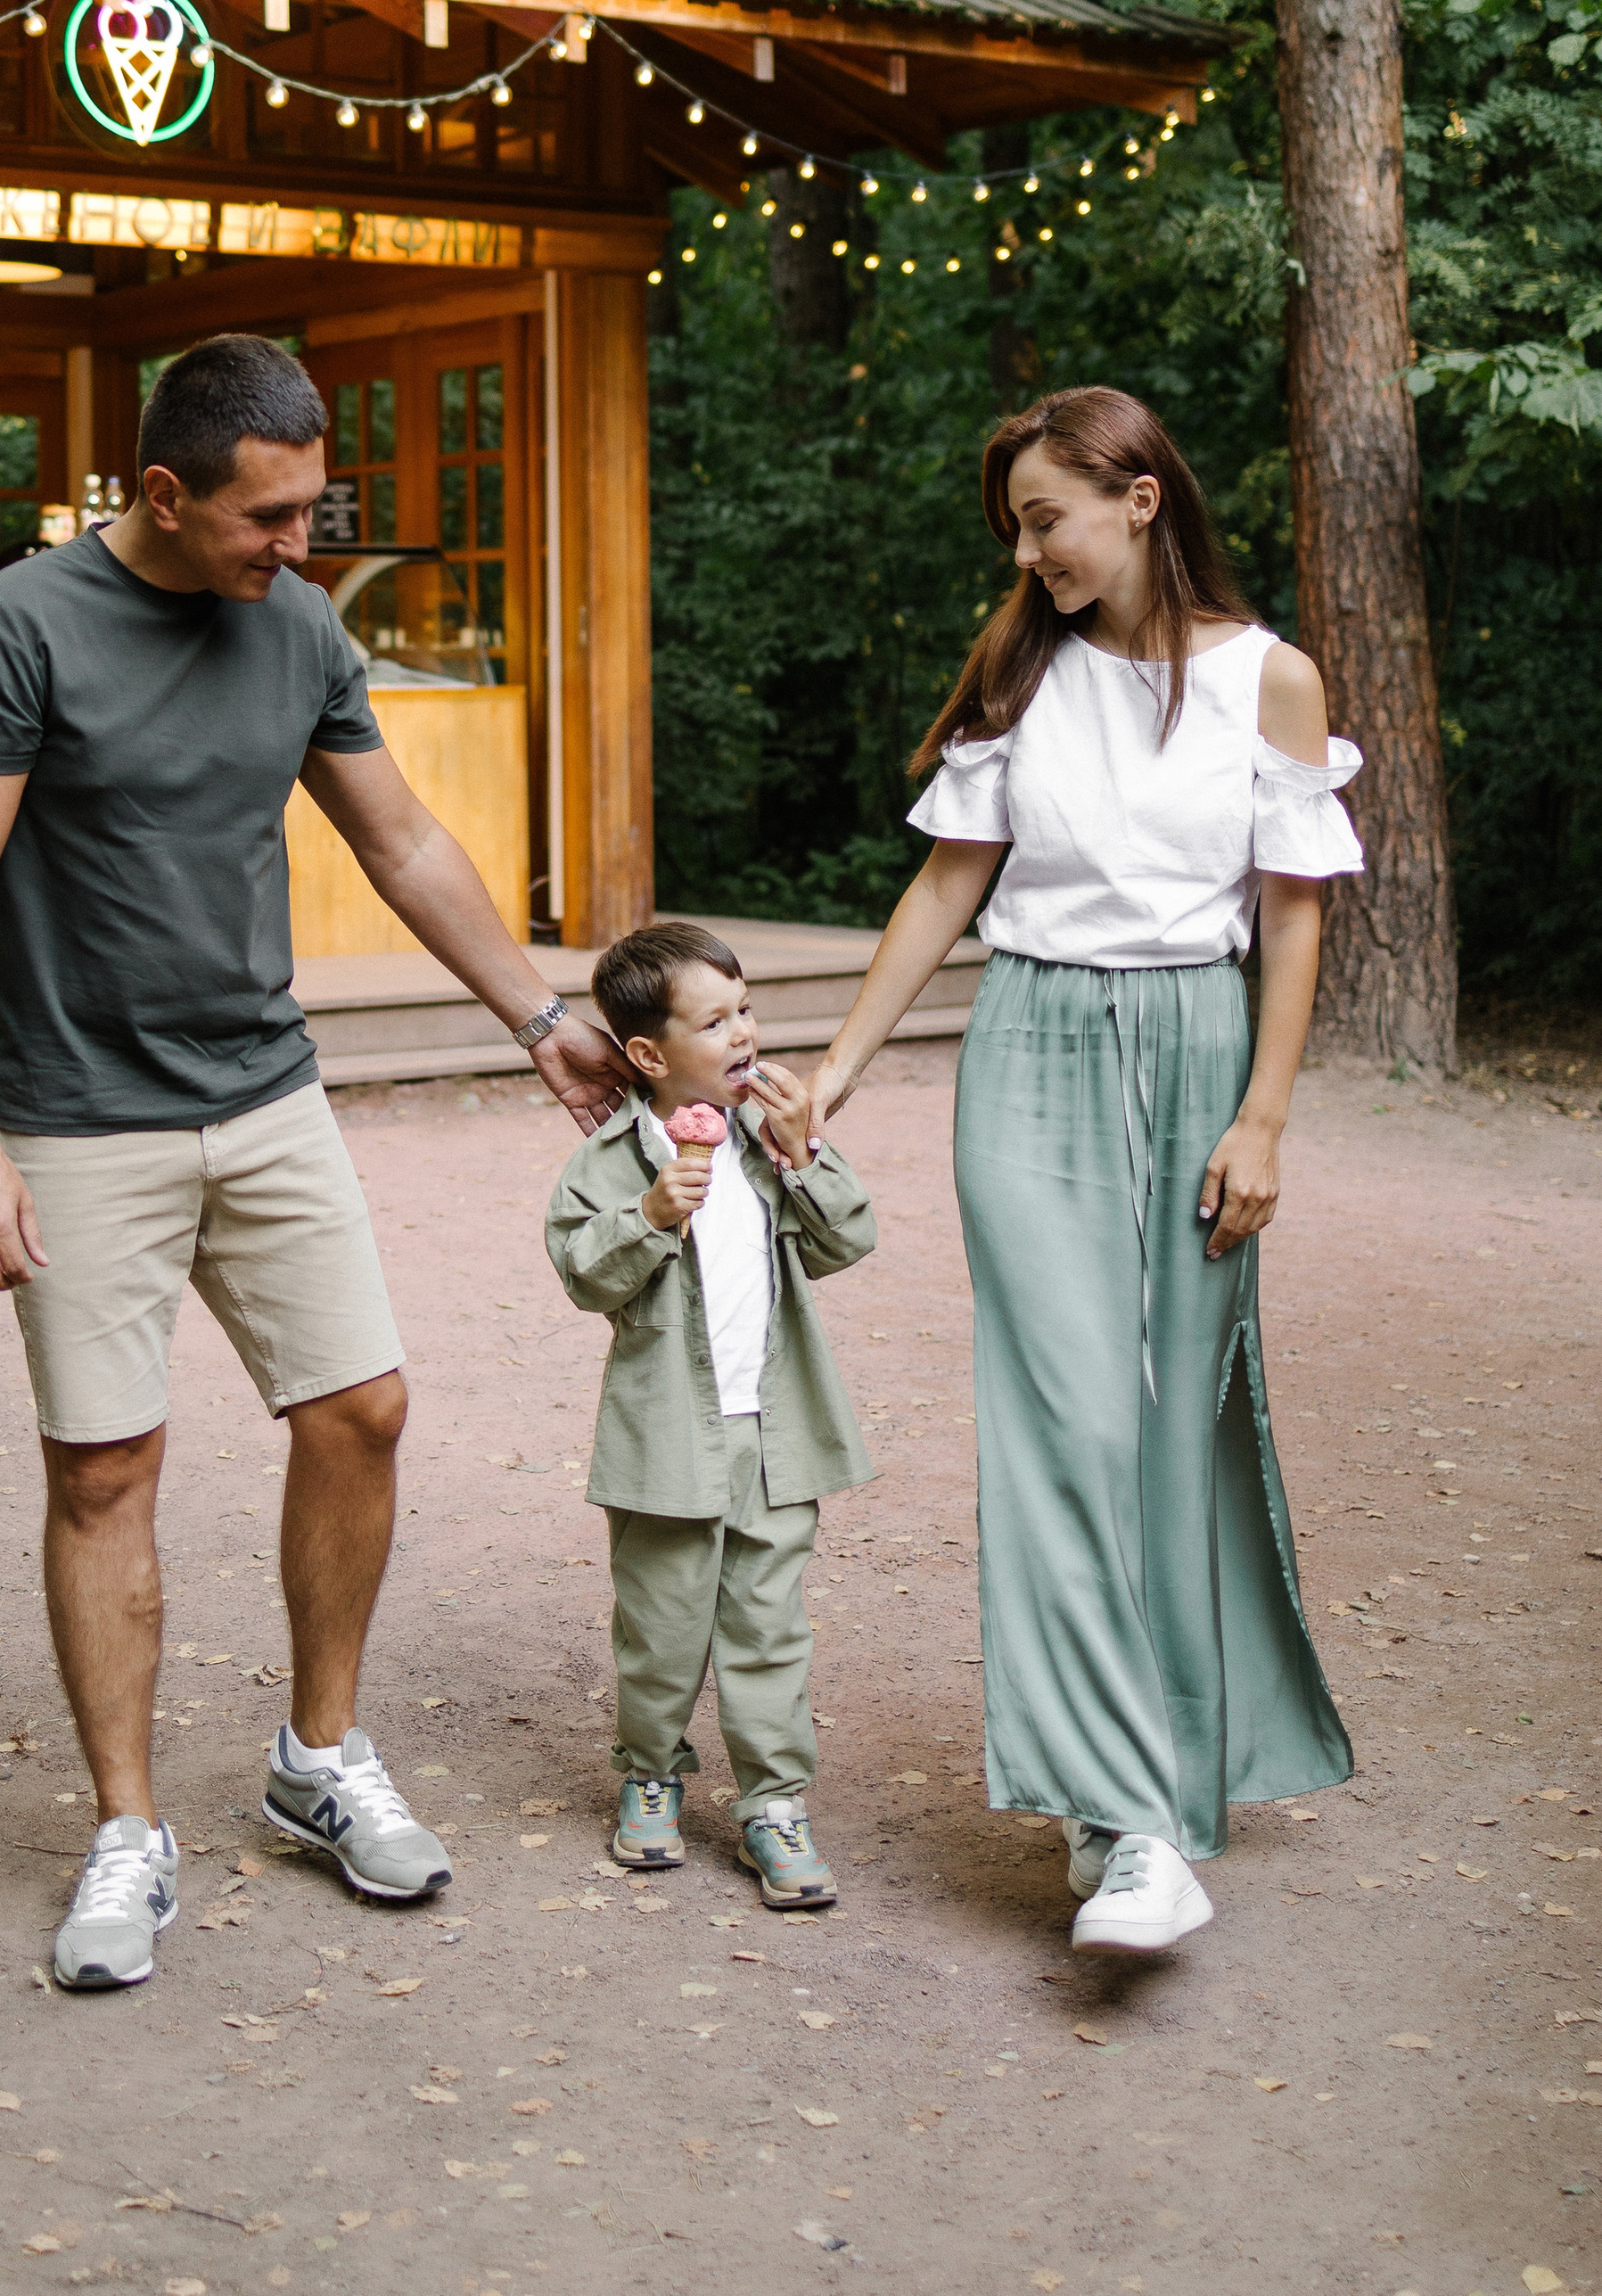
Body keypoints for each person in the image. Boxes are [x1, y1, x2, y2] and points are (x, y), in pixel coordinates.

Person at [0, 332, 627, 1994]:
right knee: (106, 1466)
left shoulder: (296, 625)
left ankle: (317, 1759)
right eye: (271, 517)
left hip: (267, 1089)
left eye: (316, 510)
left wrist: (540, 1018)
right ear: (165, 493)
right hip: (80, 1112)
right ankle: (128, 1832)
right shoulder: (13, 631)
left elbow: (402, 839)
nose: (302, 547)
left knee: (361, 1405)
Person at [809, 385, 1362, 1957]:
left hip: (1199, 1047)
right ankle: (1122, 1827)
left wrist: (1263, 1118)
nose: (1028, 549)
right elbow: (946, 886)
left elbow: (1297, 911)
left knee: (1170, 1431)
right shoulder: (1018, 671)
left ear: (1136, 498)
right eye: (1015, 528)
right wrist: (842, 1067)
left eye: (1045, 516)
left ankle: (1158, 1789)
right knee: (1062, 1423)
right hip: (1032, 1050)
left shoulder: (1274, 681)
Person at [546, 921, 876, 1908]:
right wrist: (649, 1213)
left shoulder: (764, 1144)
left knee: (769, 1630)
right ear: (648, 1055)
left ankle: (773, 1804)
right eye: (715, 1020)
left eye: (746, 1012)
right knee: (662, 1624)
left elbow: (846, 1237)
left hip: (776, 1436)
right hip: (665, 1443)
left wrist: (801, 1149)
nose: (743, 1035)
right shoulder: (610, 1161)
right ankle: (649, 1773)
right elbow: (581, 1273)